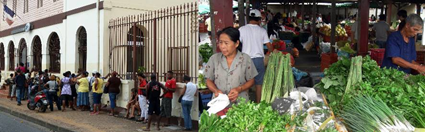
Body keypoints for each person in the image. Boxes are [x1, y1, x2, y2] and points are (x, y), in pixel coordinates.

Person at [205, 27, 258, 103]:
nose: (222, 46)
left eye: (226, 43)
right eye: (220, 42)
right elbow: (209, 80)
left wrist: (239, 89)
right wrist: (216, 91)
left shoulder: (245, 59)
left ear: (236, 43)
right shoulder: (214, 59)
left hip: (240, 102)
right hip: (219, 103)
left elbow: (251, 81)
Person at [238, 9, 273, 103]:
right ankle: (258, 104)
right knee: (258, 84)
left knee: (246, 84)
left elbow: (237, 43)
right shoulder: (262, 31)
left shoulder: (242, 29)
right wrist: (272, 52)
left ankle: (246, 104)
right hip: (258, 60)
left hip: (245, 59)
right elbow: (269, 46)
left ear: (249, 18)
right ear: (258, 19)